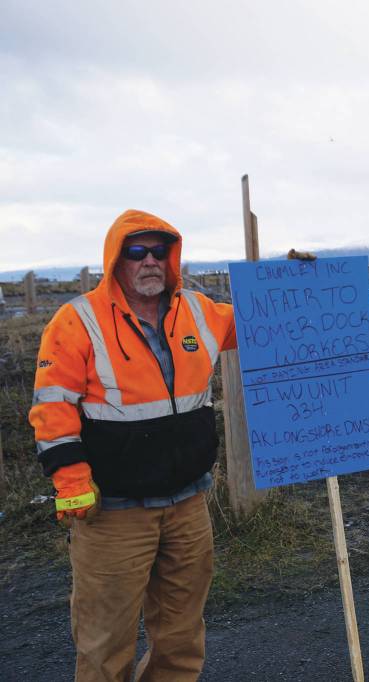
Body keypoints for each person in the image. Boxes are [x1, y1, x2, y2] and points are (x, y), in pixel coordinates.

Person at [29, 210, 237, 680]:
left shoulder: (201, 312)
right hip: (114, 515)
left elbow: (265, 318)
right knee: (105, 649)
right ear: (115, 260)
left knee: (182, 641)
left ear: (172, 258)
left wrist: (300, 272)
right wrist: (71, 483)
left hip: (188, 505)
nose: (149, 262)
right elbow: (52, 409)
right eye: (136, 252)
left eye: (159, 252)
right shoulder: (76, 321)